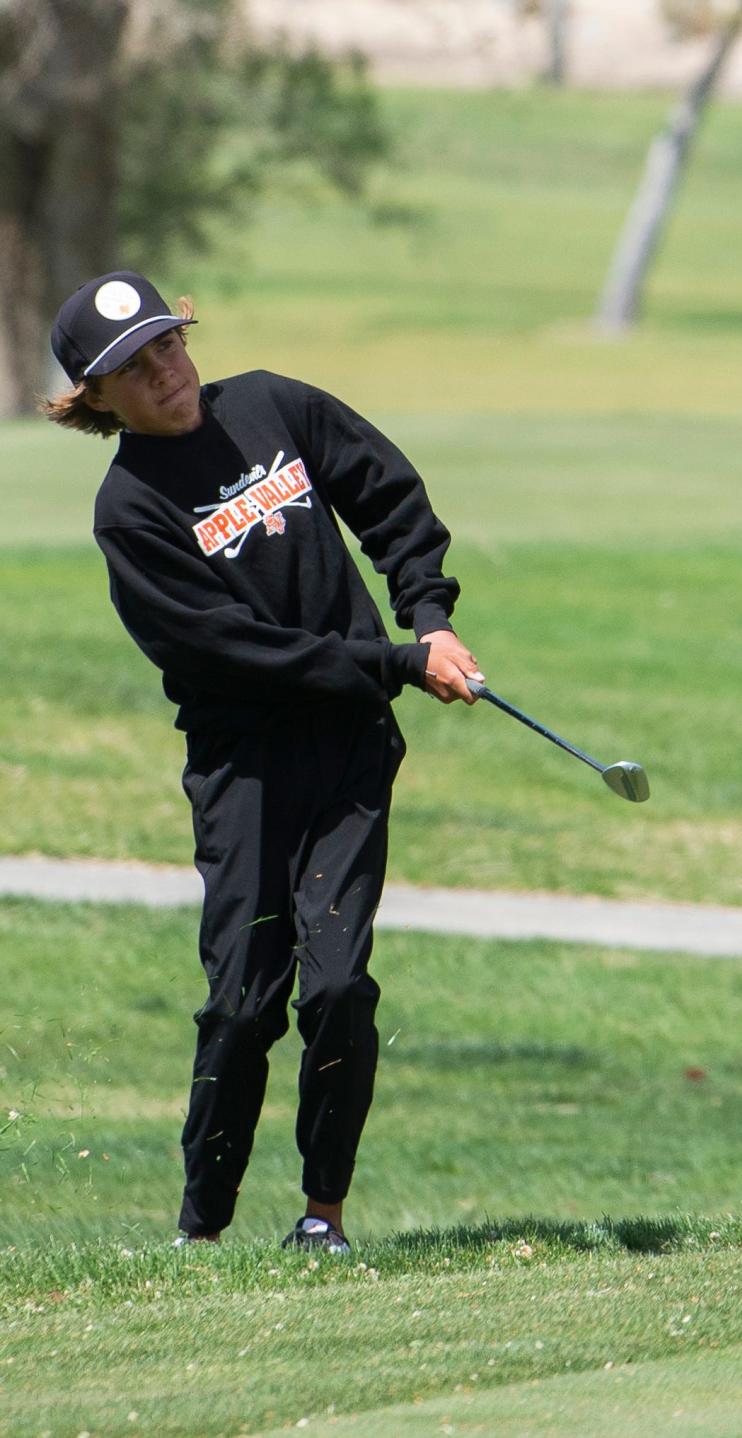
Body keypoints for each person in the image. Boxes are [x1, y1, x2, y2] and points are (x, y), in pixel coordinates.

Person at [43, 270, 484, 1251]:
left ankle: (322, 1216)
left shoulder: (271, 405)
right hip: (245, 766)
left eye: (167, 343)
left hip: (351, 750)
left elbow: (388, 494)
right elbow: (244, 652)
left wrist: (430, 612)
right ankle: (202, 1228)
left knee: (336, 988)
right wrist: (399, 660)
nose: (164, 370)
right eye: (132, 365)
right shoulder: (130, 513)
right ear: (95, 397)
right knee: (245, 1001)